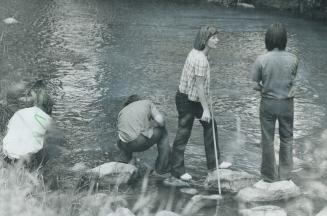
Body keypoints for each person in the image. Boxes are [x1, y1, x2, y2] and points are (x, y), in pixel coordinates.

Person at [166, 25, 231, 185]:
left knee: (211, 126)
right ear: (205, 40)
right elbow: (199, 86)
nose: (217, 40)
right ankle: (177, 171)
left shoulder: (196, 53)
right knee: (183, 133)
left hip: (193, 98)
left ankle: (214, 163)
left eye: (217, 37)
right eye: (214, 37)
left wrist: (208, 102)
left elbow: (200, 86)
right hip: (186, 100)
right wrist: (206, 109)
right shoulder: (201, 59)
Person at [252, 23, 298, 182]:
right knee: (286, 138)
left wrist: (264, 89)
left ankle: (268, 176)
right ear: (284, 39)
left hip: (268, 104)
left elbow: (254, 85)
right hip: (286, 104)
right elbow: (292, 82)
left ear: (268, 40)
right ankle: (285, 176)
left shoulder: (261, 60)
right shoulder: (293, 59)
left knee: (267, 139)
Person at [2, 80, 54, 169]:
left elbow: (8, 132)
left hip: (7, 156)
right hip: (27, 159)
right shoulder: (47, 119)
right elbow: (50, 141)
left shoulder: (19, 113)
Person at [117, 94, 171, 176]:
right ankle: (162, 169)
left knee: (128, 135)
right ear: (139, 100)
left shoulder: (122, 111)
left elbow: (123, 131)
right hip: (138, 142)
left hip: (122, 144)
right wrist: (157, 127)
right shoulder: (147, 103)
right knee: (163, 132)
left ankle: (125, 162)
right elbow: (160, 121)